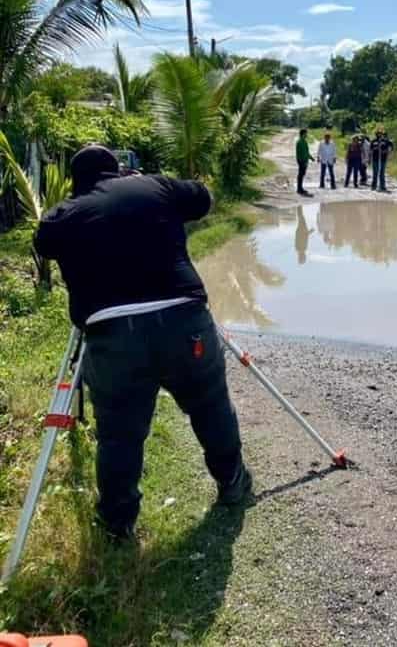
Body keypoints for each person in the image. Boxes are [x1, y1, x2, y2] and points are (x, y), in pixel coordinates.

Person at [33, 145, 251, 541]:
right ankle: (233, 482)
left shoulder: (64, 214)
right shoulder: (155, 186)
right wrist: (145, 187)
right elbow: (203, 199)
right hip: (185, 324)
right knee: (210, 406)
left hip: (113, 338)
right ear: (118, 171)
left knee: (119, 434)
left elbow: (42, 242)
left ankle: (119, 526)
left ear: (75, 181)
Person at [295, 128, 313, 196]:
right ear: (303, 134)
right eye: (306, 133)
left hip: (304, 160)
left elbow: (306, 151)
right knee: (301, 174)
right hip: (302, 160)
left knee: (302, 174)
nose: (307, 134)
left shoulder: (304, 141)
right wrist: (304, 161)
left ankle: (300, 188)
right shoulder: (300, 142)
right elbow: (301, 153)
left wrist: (311, 158)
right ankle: (299, 189)